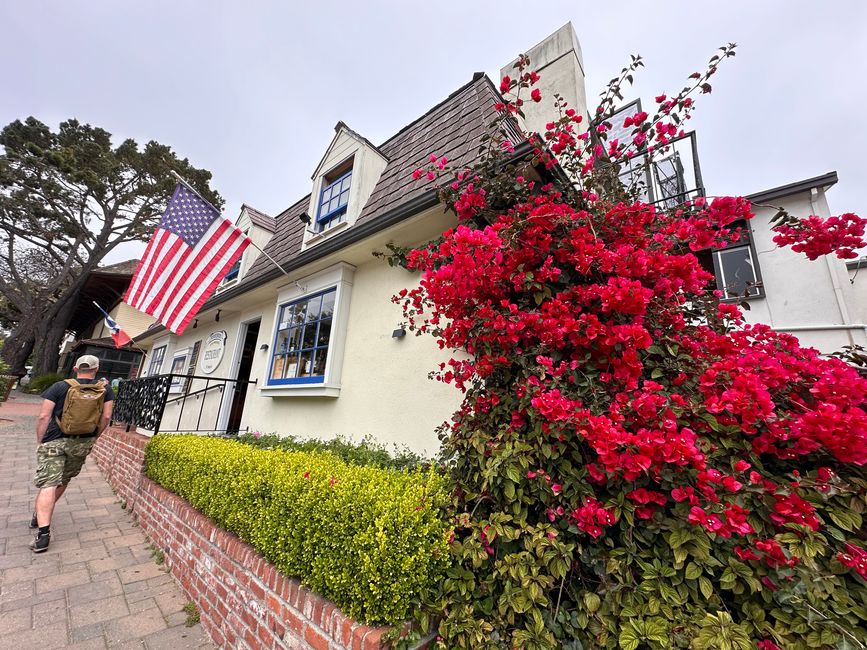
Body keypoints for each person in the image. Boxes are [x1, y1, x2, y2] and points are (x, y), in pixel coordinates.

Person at [30, 355, 114, 553]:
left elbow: (44, 416)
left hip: (54, 439)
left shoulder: (59, 387)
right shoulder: (105, 389)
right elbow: (107, 416)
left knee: (49, 482)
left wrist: (41, 439)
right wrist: (95, 437)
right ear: (96, 368)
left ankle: (43, 533)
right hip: (82, 441)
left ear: (76, 368)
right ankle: (41, 513)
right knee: (63, 479)